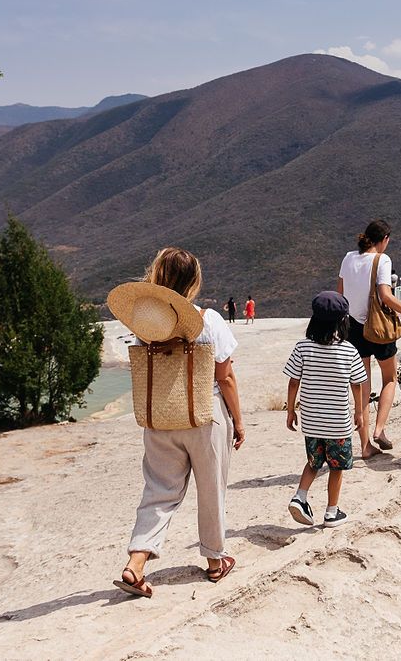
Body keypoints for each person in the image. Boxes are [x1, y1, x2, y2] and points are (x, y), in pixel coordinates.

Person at [112, 247, 245, 599]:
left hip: (161, 416)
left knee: (159, 491)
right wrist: (239, 421)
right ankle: (215, 561)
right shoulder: (209, 320)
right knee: (211, 487)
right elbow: (225, 376)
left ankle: (136, 565)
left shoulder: (146, 325)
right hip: (204, 414)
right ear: (193, 281)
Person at [338, 219, 401, 458]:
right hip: (379, 328)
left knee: (362, 386)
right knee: (390, 378)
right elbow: (385, 295)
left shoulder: (348, 258)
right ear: (384, 239)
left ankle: (365, 447)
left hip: (353, 327)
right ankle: (379, 430)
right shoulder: (382, 260)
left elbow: (340, 294)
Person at [284, 291, 367, 528]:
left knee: (313, 461)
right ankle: (332, 512)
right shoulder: (349, 351)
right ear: (343, 321)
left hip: (311, 421)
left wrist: (291, 410)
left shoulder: (302, 347)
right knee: (336, 467)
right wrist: (359, 413)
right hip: (337, 423)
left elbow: (293, 381)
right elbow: (357, 385)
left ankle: (300, 497)